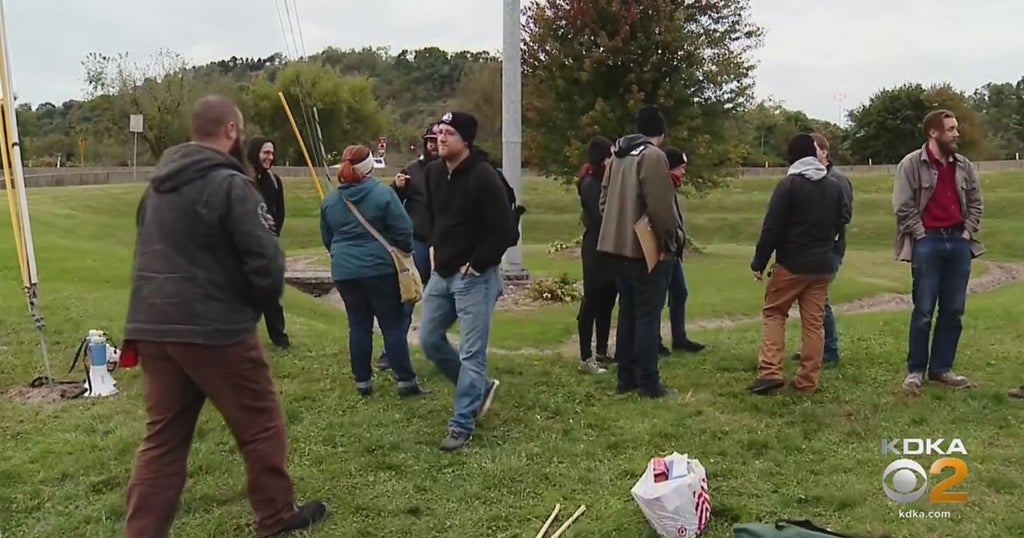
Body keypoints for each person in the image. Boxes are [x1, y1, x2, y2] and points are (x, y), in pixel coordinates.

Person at [122, 95, 326, 538]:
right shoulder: (231, 185)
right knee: (259, 424)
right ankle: (275, 516)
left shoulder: (157, 189)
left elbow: (143, 254)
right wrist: (249, 309)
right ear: (232, 132)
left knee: (163, 443)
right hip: (215, 329)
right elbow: (267, 262)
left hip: (153, 326)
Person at [419, 111, 517, 452]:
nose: (441, 138)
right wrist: (434, 245)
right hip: (441, 274)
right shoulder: (432, 173)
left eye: (448, 133)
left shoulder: (483, 177)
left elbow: (506, 230)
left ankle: (461, 424)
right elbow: (432, 216)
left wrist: (478, 263)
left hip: (474, 278)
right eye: (439, 132)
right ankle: (480, 388)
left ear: (465, 140)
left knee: (473, 353)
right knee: (430, 340)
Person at [320, 144, 431, 398]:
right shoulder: (382, 194)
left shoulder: (331, 200)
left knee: (358, 325)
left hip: (345, 271)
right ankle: (405, 381)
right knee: (391, 325)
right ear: (370, 166)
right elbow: (404, 229)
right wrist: (403, 251)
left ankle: (363, 382)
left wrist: (343, 256)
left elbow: (328, 238)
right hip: (380, 268)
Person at [747, 133, 849, 395]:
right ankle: (807, 380)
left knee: (774, 312)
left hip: (792, 263)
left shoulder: (789, 185)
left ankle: (770, 371)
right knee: (813, 323)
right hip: (823, 265)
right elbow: (841, 222)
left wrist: (759, 261)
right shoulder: (834, 186)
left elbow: (772, 227)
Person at [893, 109, 984, 393]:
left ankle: (942, 369)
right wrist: (920, 235)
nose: (957, 133)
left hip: (958, 242)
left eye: (956, 128)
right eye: (951, 129)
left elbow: (976, 202)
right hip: (928, 242)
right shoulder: (911, 164)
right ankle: (916, 371)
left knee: (953, 310)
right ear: (934, 132)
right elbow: (902, 205)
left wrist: (967, 233)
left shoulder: (964, 166)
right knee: (923, 309)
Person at [597, 104, 684, 399]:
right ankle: (649, 381)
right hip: (643, 250)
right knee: (648, 316)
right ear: (661, 132)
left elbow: (603, 202)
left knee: (628, 314)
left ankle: (626, 378)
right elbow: (661, 207)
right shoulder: (653, 156)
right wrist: (670, 239)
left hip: (613, 247)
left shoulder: (617, 157)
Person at [377, 123, 439, 372]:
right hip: (419, 243)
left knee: (452, 301)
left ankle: (444, 352)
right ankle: (390, 352)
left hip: (448, 244)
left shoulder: (452, 171)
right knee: (407, 297)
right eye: (431, 140)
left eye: (439, 139)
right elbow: (391, 204)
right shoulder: (412, 172)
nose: (435, 145)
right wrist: (397, 187)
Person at [788, 134, 852, 367]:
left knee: (820, 300)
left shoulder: (837, 180)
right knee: (811, 300)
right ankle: (813, 347)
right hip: (813, 249)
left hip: (829, 249)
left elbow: (843, 215)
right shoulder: (806, 179)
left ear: (824, 151)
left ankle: (830, 349)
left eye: (814, 149)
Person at [659, 147, 705, 355]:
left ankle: (680, 337)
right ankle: (655, 341)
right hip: (664, 250)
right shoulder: (662, 187)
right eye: (681, 167)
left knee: (679, 292)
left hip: (674, 253)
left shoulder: (671, 186)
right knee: (658, 298)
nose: (683, 172)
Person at [576, 136, 615, 374]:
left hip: (609, 247)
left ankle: (602, 351)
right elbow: (602, 216)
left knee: (607, 301)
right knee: (591, 300)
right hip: (595, 249)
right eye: (610, 156)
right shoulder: (590, 184)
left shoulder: (605, 183)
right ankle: (585, 357)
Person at [247, 136, 290, 349]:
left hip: (267, 248)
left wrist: (272, 238)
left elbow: (279, 212)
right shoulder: (242, 179)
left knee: (270, 294)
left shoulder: (274, 181)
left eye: (272, 153)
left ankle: (279, 337)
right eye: (266, 152)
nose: (270, 157)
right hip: (244, 247)